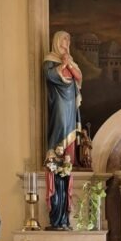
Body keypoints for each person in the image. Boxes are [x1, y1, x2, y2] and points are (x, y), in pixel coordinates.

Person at [44, 31, 81, 228]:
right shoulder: (50, 60)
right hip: (58, 101)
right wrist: (64, 64)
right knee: (59, 122)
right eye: (64, 39)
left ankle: (66, 157)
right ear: (57, 41)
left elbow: (79, 79)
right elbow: (50, 76)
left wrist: (70, 64)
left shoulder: (71, 60)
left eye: (69, 39)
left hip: (70, 104)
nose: (67, 42)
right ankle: (56, 152)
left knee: (69, 130)